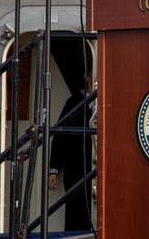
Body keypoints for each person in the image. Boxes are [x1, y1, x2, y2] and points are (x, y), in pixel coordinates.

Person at [48, 74, 95, 232]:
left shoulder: (109, 102)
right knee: (75, 211)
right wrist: (54, 169)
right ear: (87, 76)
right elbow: (60, 136)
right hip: (76, 166)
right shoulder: (74, 102)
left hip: (100, 167)